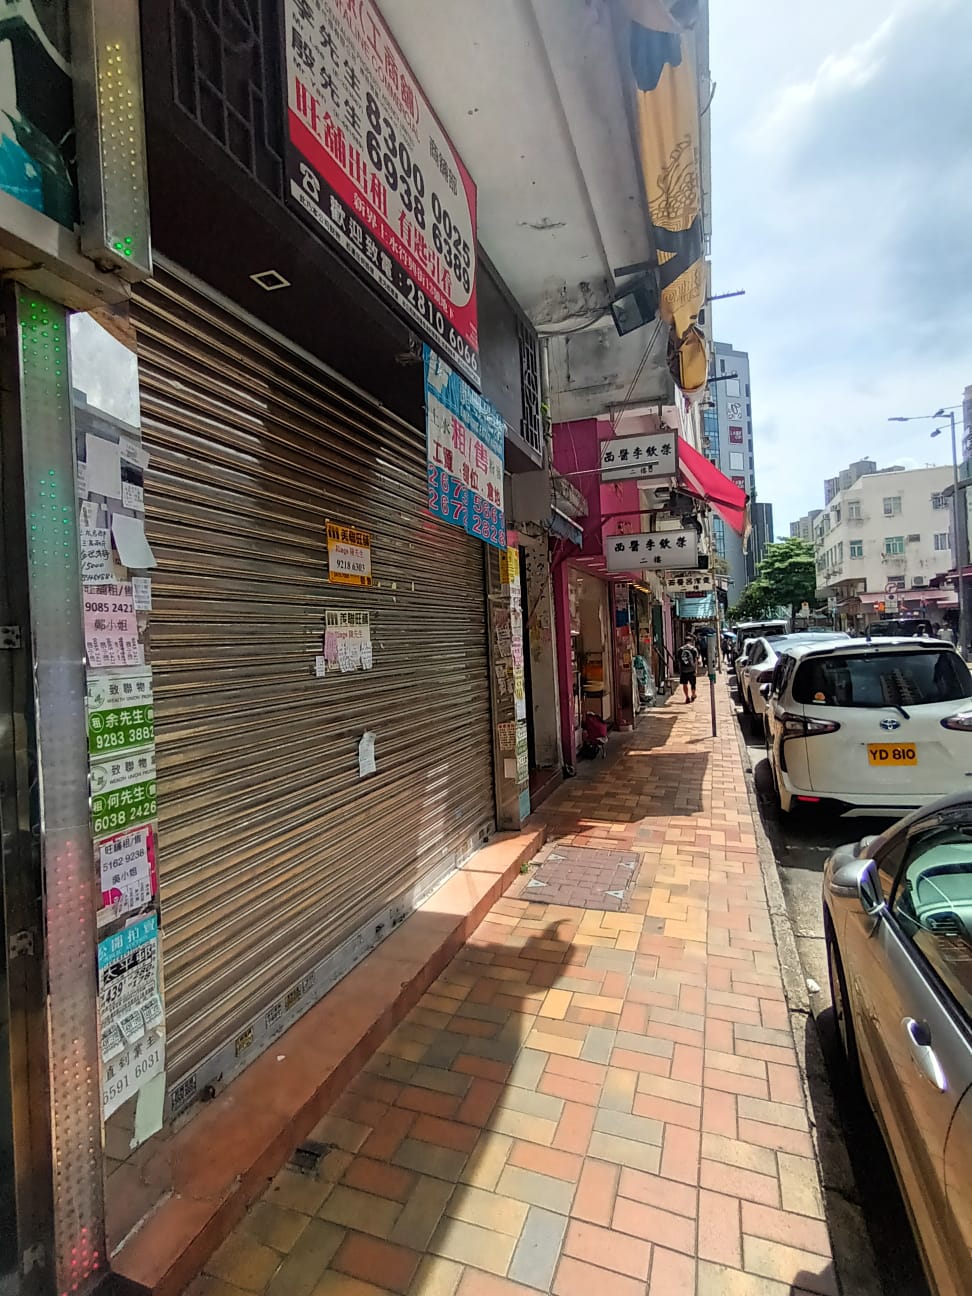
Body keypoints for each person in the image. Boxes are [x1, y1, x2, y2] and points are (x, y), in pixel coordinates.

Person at [677, 637, 700, 703]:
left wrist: (680, 670)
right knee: (693, 684)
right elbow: (696, 660)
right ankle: (693, 695)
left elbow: (679, 661)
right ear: (691, 641)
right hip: (692, 669)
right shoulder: (693, 649)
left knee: (685, 684)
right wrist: (696, 669)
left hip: (683, 670)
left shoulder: (680, 650)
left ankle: (687, 697)